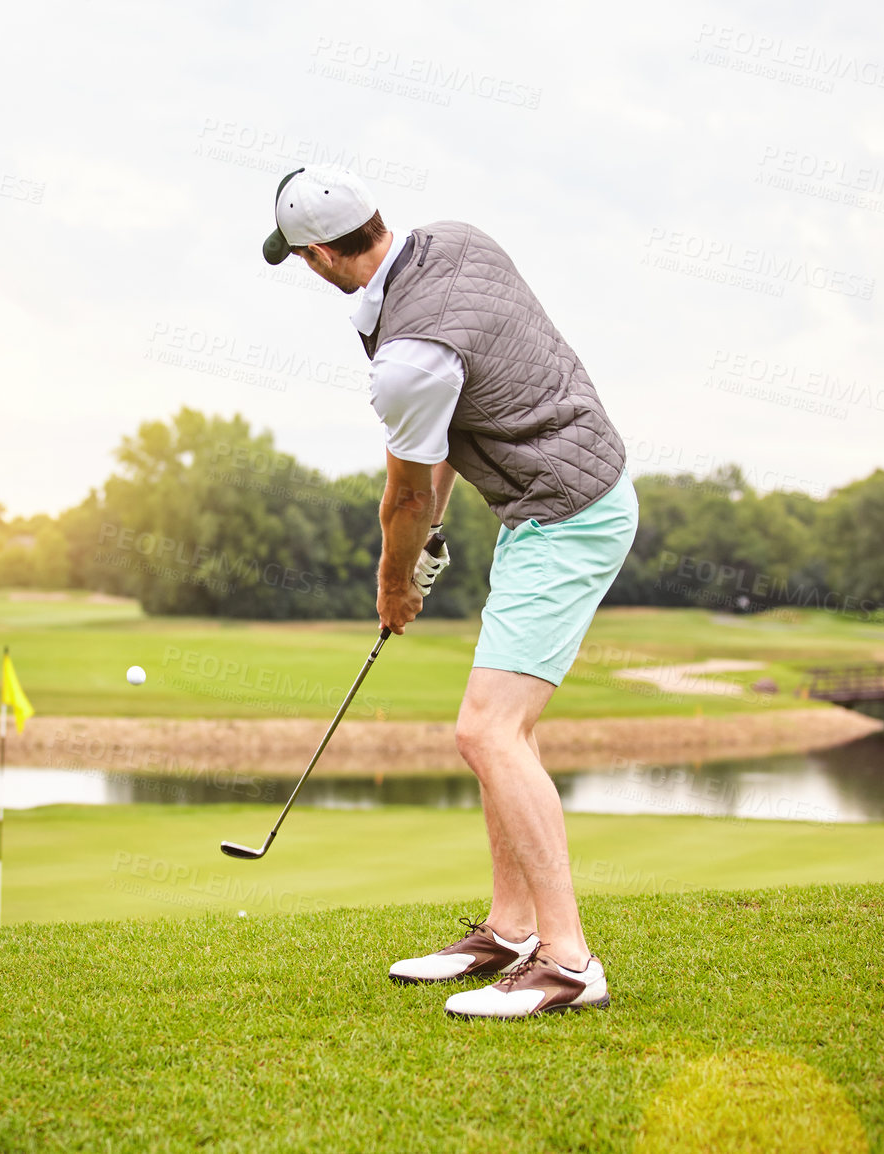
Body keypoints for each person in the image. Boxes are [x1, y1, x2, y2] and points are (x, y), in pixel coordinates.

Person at [262, 167, 638, 1020]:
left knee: (485, 732)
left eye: (300, 257)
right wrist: (428, 538)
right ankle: (508, 932)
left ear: (320, 255)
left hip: (566, 514)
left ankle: (568, 963)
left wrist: (394, 581)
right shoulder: (458, 240)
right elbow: (433, 468)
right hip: (553, 496)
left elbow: (401, 492)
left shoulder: (405, 360)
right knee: (502, 732)